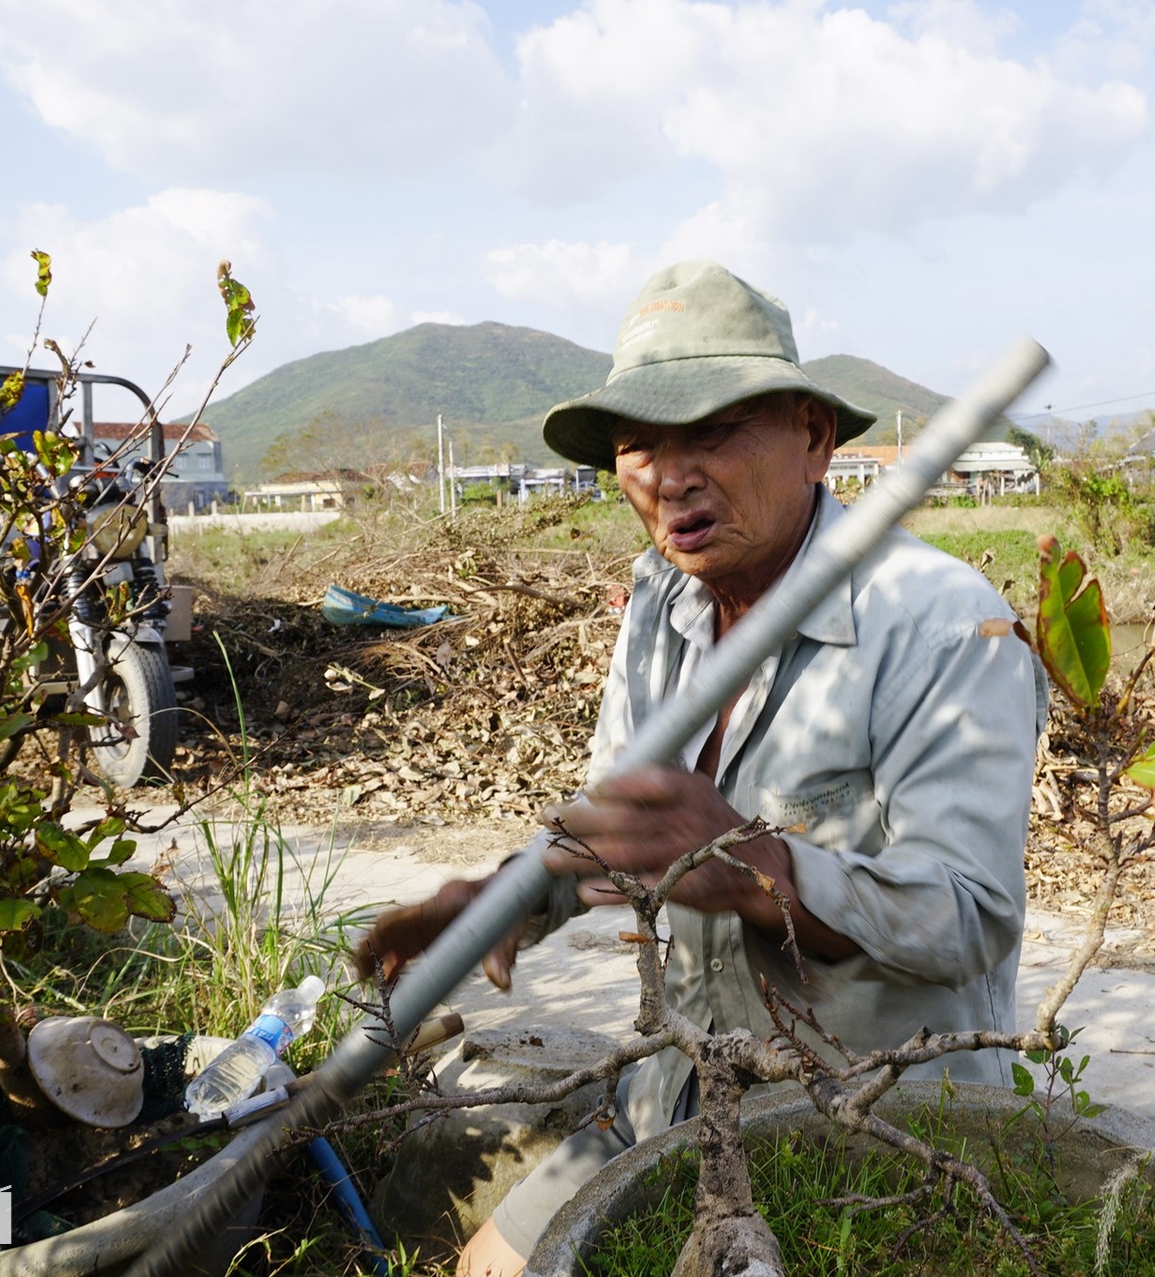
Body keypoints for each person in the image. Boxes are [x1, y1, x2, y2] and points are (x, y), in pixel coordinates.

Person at [356, 261, 1039, 1276]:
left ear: (813, 435)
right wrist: (503, 896)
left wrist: (756, 869)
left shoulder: (945, 620)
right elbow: (613, 822)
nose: (669, 476)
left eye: (711, 432)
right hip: (673, 1095)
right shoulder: (664, 607)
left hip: (859, 1127)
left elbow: (969, 913)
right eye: (639, 443)